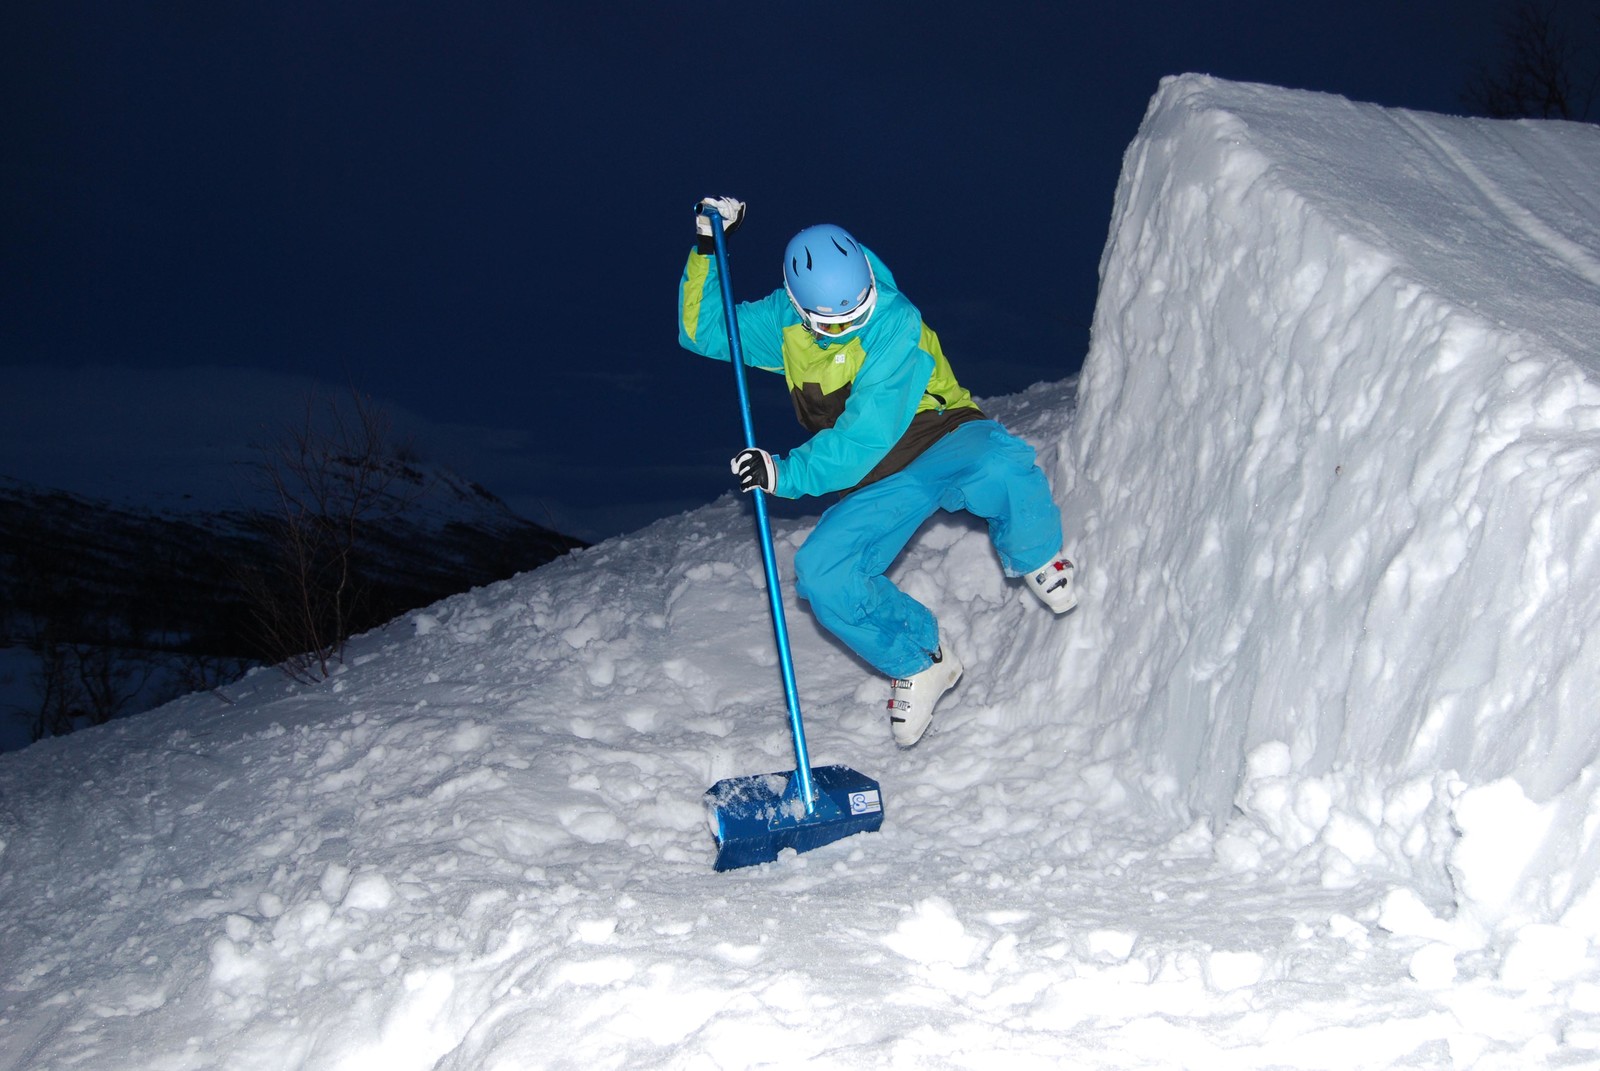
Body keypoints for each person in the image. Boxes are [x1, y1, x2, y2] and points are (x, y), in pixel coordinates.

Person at [678, 196, 1077, 747]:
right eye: (833, 322)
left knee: (998, 464)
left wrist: (785, 474)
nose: (849, 326)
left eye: (858, 310)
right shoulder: (783, 322)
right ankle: (920, 660)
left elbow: (866, 434)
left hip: (940, 433)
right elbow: (704, 331)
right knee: (823, 572)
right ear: (798, 307)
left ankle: (1037, 554)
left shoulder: (893, 320)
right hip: (878, 479)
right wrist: (706, 247)